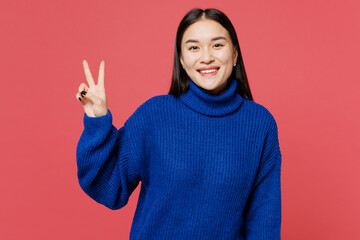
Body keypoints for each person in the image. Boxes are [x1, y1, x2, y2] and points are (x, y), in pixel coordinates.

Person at [75, 8, 282, 239]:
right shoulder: (154, 115)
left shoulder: (260, 124)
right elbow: (109, 188)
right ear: (182, 60)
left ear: (234, 54)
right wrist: (97, 121)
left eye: (217, 45)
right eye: (194, 47)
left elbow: (264, 220)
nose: (206, 57)